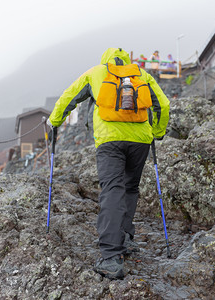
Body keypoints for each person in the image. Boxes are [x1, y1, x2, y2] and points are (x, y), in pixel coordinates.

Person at [47, 48, 170, 280]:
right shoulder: (141, 75)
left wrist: (55, 121)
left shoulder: (95, 73)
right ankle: (124, 237)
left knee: (112, 190)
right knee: (130, 188)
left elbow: (68, 97)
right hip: (140, 141)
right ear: (127, 61)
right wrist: (158, 132)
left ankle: (111, 257)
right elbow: (163, 105)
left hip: (109, 141)